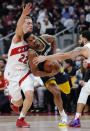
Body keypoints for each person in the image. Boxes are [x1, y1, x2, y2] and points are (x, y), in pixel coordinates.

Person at [33, 30, 90, 127]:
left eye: (80, 38)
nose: (79, 40)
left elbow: (64, 55)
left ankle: (76, 118)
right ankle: (76, 118)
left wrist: (46, 58)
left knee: (84, 92)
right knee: (84, 91)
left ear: (85, 38)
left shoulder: (84, 49)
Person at [24, 31, 71, 126]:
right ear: (28, 43)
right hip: (45, 73)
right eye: (31, 40)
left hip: (55, 66)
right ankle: (63, 115)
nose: (34, 40)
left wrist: (53, 56)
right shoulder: (32, 53)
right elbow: (35, 72)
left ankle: (64, 107)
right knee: (57, 92)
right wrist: (48, 74)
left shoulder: (44, 38)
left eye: (34, 37)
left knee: (67, 91)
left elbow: (54, 39)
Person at [4, 3, 34, 128]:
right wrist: (23, 15)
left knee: (30, 94)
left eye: (32, 23)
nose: (30, 25)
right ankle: (12, 100)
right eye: (28, 23)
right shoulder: (17, 38)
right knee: (17, 103)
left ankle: (21, 119)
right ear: (22, 25)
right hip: (12, 74)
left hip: (25, 73)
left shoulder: (32, 40)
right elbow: (18, 27)